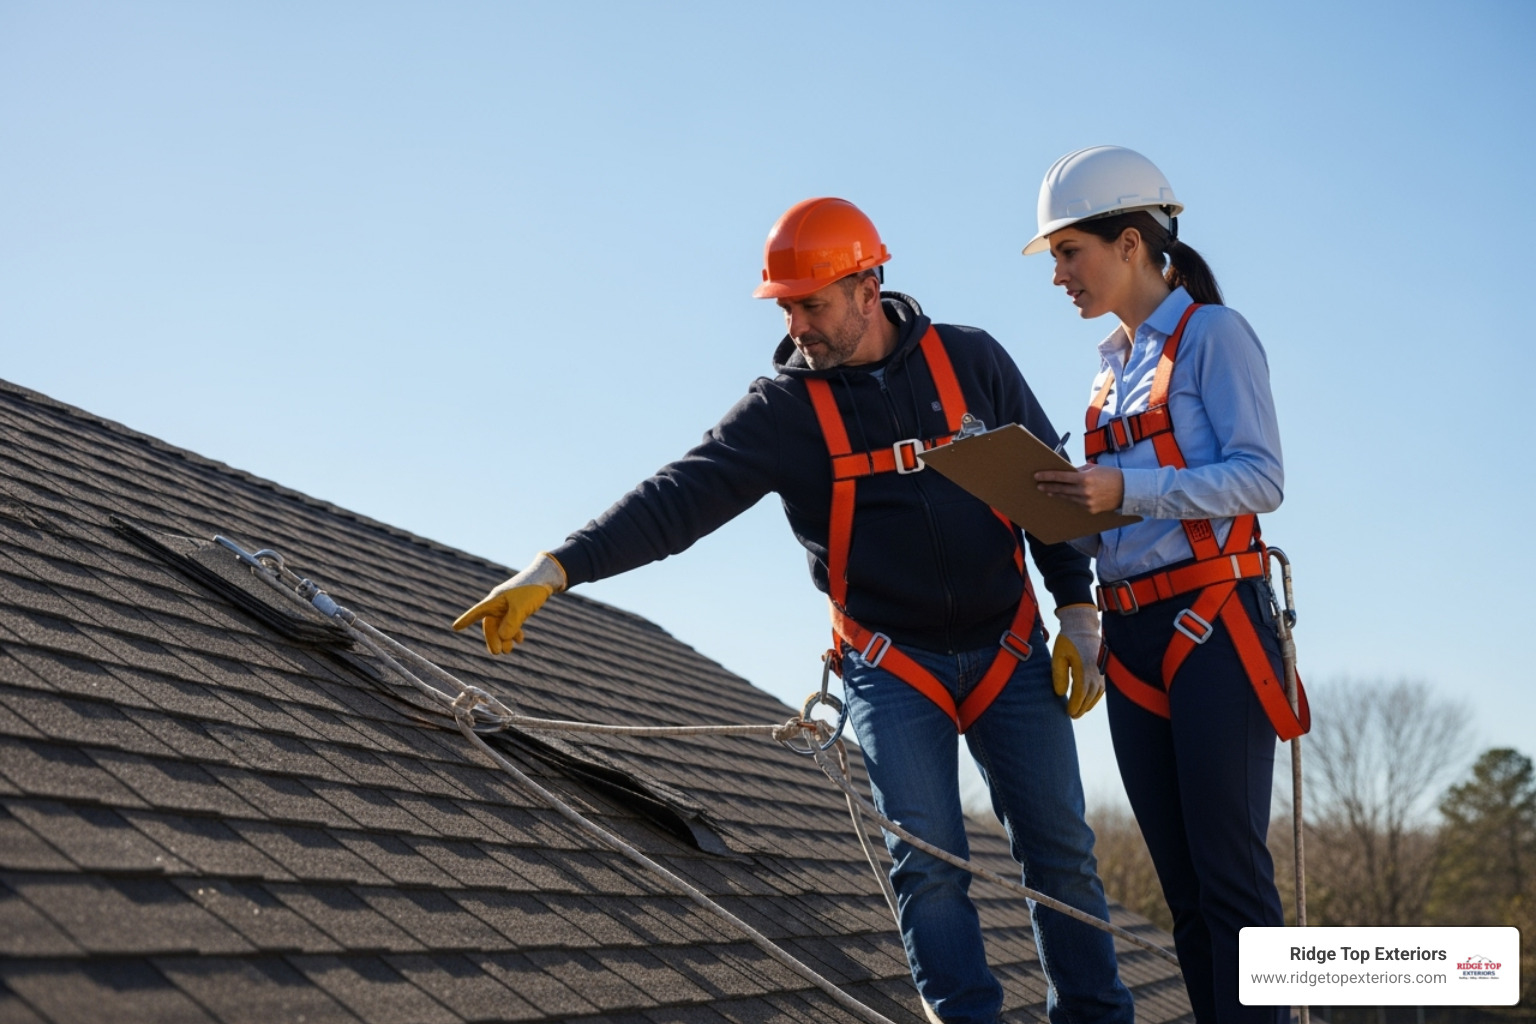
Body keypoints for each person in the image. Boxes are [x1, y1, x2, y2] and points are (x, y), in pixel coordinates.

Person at [453, 197, 1135, 1024]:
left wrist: (1077, 610)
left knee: (1060, 852)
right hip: (895, 670)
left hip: (1009, 650)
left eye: (813, 303)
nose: (799, 325)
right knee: (927, 864)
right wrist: (555, 569)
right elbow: (674, 501)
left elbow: (1048, 487)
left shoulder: (970, 363)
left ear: (869, 285)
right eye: (787, 307)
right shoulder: (783, 414)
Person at [1026, 146, 1309, 1024]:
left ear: (1131, 242)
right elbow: (1119, 512)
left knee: (1231, 878)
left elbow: (1261, 478)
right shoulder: (1108, 370)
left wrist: (1126, 489)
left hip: (1214, 626)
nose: (1061, 275)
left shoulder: (1215, 336)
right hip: (1133, 638)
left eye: (1070, 252)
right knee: (1182, 889)